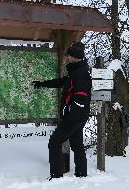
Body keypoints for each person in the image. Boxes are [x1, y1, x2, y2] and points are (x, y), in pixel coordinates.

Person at [32, 41, 92, 180]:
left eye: (68, 55)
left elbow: (80, 98)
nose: (67, 57)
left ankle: (56, 176)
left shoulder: (80, 74)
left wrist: (70, 115)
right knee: (77, 145)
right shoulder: (77, 71)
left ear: (74, 56)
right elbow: (62, 82)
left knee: (54, 142)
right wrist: (43, 84)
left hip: (73, 118)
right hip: (78, 117)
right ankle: (81, 175)